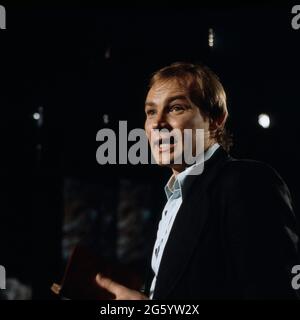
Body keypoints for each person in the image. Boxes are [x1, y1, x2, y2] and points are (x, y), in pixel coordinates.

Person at [96, 62, 300, 299]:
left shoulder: (246, 182)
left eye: (176, 108)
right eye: (151, 112)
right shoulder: (174, 200)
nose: (157, 123)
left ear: (216, 120)